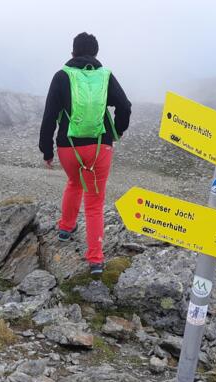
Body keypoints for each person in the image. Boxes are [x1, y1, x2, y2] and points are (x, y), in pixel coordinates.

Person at [39, 32, 131, 275]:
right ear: (96, 53)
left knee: (74, 182)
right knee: (95, 201)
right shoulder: (106, 76)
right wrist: (117, 131)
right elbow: (125, 106)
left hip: (68, 146)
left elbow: (49, 116)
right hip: (100, 146)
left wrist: (46, 150)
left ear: (73, 53)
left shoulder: (62, 76)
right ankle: (96, 260)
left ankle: (65, 228)